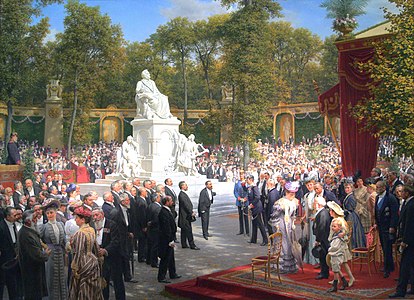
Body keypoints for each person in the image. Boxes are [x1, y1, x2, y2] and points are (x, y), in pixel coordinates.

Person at [69, 206, 103, 300]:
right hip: (92, 260)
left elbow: (79, 252)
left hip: (83, 262)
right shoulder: (91, 229)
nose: (75, 220)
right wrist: (99, 259)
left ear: (83, 219)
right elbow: (96, 246)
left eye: (77, 218)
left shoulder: (80, 233)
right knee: (93, 290)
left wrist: (75, 267)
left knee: (83, 288)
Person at [92, 208, 125, 300]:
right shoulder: (92, 226)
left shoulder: (111, 224)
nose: (95, 218)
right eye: (93, 216)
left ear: (102, 215)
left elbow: (116, 241)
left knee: (117, 281)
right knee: (103, 281)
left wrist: (105, 250)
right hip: (100, 259)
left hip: (114, 257)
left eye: (97, 215)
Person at [17, 209, 51, 300]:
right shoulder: (25, 234)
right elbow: (36, 254)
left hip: (34, 268)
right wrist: (46, 254)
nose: (36, 220)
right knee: (32, 293)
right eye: (35, 218)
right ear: (28, 221)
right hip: (30, 269)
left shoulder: (29, 231)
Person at [39, 198, 68, 300]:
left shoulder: (60, 224)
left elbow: (64, 239)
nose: (50, 215)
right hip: (50, 254)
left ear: (56, 212)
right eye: (47, 213)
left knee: (62, 276)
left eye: (51, 212)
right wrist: (45, 247)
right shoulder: (44, 227)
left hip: (60, 252)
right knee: (51, 277)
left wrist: (67, 247)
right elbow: (38, 239)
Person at [389, 185, 414, 298]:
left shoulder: (410, 205)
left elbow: (409, 224)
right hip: (409, 239)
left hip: (409, 241)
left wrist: (404, 241)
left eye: (403, 191)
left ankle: (401, 290)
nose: (400, 193)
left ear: (407, 193)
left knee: (405, 265)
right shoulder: (408, 203)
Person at [269, 181, 299, 273]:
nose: (293, 194)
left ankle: (290, 266)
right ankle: (281, 266)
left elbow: (294, 214)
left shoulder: (294, 201)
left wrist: (293, 222)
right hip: (281, 224)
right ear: (286, 192)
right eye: (291, 193)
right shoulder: (280, 203)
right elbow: (274, 216)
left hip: (289, 224)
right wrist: (276, 227)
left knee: (289, 243)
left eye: (294, 193)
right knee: (282, 244)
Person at [374, 180, 399, 278]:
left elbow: (394, 214)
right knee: (384, 247)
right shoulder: (377, 197)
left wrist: (392, 226)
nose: (377, 189)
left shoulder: (390, 198)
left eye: (379, 187)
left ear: (384, 188)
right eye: (376, 187)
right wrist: (376, 222)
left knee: (387, 248)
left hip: (388, 227)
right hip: (380, 226)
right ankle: (390, 265)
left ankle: (387, 269)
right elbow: (376, 211)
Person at [158, 196, 181, 283]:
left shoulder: (168, 210)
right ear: (167, 202)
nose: (172, 202)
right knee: (165, 258)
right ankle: (161, 277)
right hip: (166, 239)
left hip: (169, 237)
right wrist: (170, 240)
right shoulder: (163, 212)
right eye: (171, 201)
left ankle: (172, 273)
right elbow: (166, 227)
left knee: (171, 257)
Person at [0, 207, 19, 300]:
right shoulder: (1, 227)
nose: (16, 217)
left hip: (14, 258)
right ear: (7, 216)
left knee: (14, 285)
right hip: (4, 260)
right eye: (14, 215)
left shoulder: (14, 224)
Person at [244, 175, 268, 246]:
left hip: (257, 207)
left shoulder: (255, 187)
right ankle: (253, 239)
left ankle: (265, 239)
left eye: (247, 179)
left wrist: (251, 204)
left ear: (251, 180)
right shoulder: (249, 188)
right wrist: (246, 199)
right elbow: (249, 196)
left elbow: (257, 197)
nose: (246, 181)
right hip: (253, 207)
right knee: (254, 223)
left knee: (260, 224)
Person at [327, 218, 349, 292]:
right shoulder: (335, 234)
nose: (333, 228)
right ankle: (344, 281)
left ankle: (335, 286)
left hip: (337, 254)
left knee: (335, 271)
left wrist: (329, 249)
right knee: (337, 269)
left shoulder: (339, 236)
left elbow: (335, 247)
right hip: (335, 254)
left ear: (339, 227)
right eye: (332, 226)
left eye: (334, 226)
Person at [312, 196, 332, 280]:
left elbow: (322, 227)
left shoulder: (323, 213)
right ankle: (323, 271)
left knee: (323, 255)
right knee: (322, 256)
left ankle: (324, 273)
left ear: (318, 204)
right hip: (323, 238)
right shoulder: (322, 212)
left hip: (323, 239)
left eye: (315, 202)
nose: (313, 204)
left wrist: (318, 240)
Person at [342, 183, 366, 249]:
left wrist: (343, 211)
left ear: (352, 189)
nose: (346, 189)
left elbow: (351, 208)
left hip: (351, 216)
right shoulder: (348, 196)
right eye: (345, 188)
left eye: (348, 188)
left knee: (353, 233)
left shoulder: (351, 197)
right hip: (349, 215)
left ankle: (354, 250)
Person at [178, 181, 200, 250]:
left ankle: (184, 243)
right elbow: (186, 205)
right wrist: (191, 212)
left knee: (184, 230)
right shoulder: (182, 194)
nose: (187, 186)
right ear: (182, 186)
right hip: (185, 216)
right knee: (188, 230)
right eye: (185, 185)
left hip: (185, 215)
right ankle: (192, 245)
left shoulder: (183, 194)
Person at [146, 193, 162, 268]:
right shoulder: (157, 207)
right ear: (156, 198)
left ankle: (149, 260)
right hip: (156, 229)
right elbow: (157, 219)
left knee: (150, 245)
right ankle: (154, 262)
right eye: (159, 197)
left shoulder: (150, 205)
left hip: (151, 229)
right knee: (155, 246)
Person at [234, 171, 249, 236]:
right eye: (240, 174)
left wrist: (246, 198)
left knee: (245, 216)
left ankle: (247, 231)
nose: (241, 176)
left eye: (242, 174)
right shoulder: (237, 183)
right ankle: (241, 230)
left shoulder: (246, 182)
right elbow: (235, 191)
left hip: (245, 202)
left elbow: (249, 191)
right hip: (239, 201)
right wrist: (238, 197)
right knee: (240, 217)